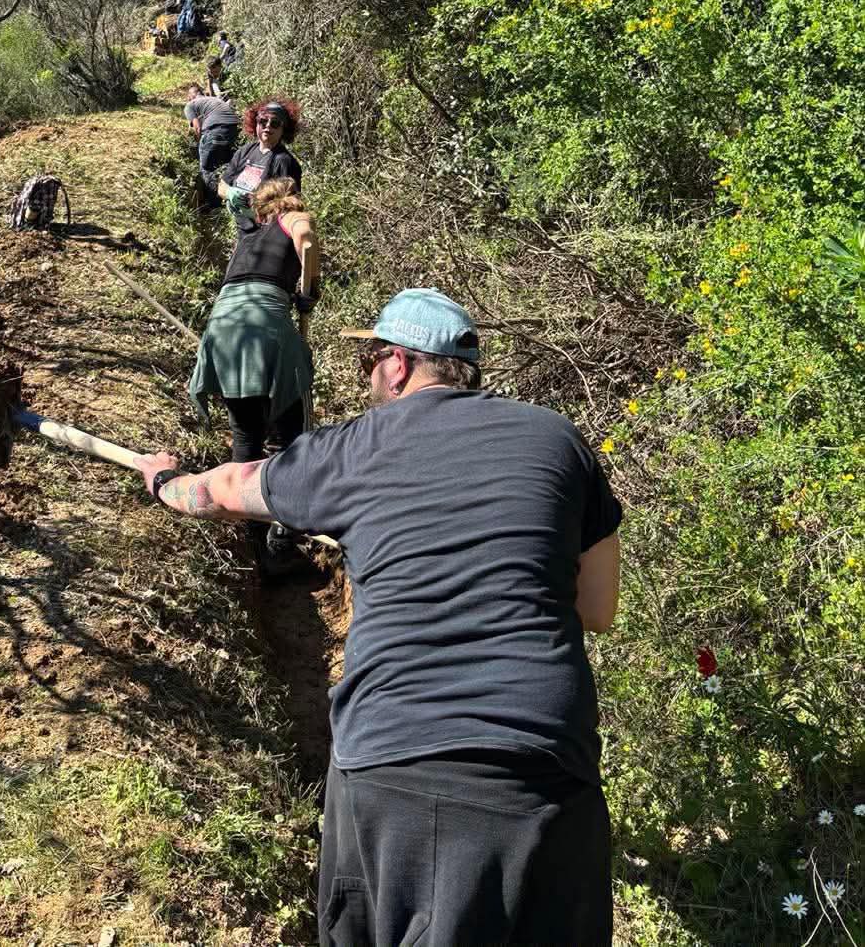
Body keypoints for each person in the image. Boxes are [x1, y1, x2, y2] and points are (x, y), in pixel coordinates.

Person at [135, 287, 622, 947]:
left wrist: (165, 480)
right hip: (547, 770)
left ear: (396, 365)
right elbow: (598, 610)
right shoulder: (560, 442)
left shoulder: (351, 449)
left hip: (395, 761)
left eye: (370, 361)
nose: (367, 375)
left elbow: (220, 490)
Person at [185, 177, 320, 572]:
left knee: (246, 436)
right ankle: (283, 535)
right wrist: (309, 285)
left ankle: (252, 541)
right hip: (266, 328)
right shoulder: (292, 217)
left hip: (223, 325)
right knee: (291, 438)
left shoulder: (248, 232)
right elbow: (307, 240)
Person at [217, 99, 302, 216]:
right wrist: (229, 193)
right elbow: (222, 185)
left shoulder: (284, 161)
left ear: (284, 129)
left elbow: (289, 206)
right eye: (263, 121)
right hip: (241, 230)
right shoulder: (245, 151)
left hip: (264, 231)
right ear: (255, 123)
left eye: (275, 123)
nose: (267, 126)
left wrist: (255, 209)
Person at [183, 83, 239, 209]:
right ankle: (230, 199)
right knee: (225, 165)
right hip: (233, 130)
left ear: (189, 96)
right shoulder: (214, 100)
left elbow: (197, 127)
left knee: (206, 169)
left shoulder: (190, 105)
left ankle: (214, 205)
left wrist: (200, 145)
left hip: (216, 130)